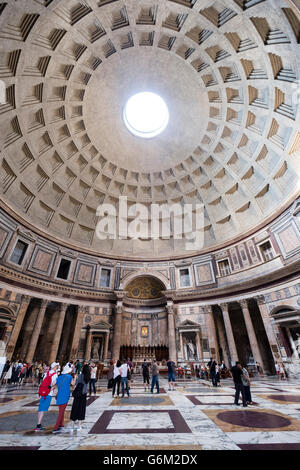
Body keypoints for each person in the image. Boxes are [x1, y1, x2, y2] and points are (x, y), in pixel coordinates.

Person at [35, 362, 59, 432]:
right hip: (48, 393)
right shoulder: (55, 375)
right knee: (43, 409)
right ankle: (38, 425)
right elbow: (53, 385)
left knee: (41, 408)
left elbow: (43, 382)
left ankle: (38, 424)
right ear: (55, 367)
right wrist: (54, 388)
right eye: (57, 366)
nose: (57, 367)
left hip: (43, 392)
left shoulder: (46, 373)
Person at [52, 363, 75, 433]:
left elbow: (53, 383)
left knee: (61, 410)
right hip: (65, 395)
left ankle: (61, 424)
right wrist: (75, 378)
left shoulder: (59, 377)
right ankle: (55, 428)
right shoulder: (69, 377)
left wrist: (58, 387)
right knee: (61, 412)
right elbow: (73, 384)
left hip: (59, 395)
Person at [70, 363, 90, 432]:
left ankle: (72, 426)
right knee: (81, 410)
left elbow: (75, 384)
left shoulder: (81, 375)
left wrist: (75, 378)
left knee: (75, 408)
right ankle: (79, 426)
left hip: (78, 394)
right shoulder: (88, 377)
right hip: (83, 394)